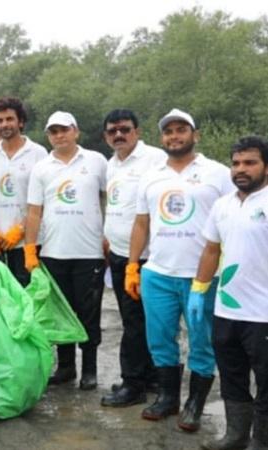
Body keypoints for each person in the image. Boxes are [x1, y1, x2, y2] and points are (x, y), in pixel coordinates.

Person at [126, 108, 234, 431]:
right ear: (163, 138)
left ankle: (194, 404)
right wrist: (133, 265)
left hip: (202, 275)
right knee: (159, 339)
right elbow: (141, 223)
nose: (175, 136)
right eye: (169, 131)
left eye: (181, 130)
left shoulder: (218, 173)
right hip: (158, 272)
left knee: (202, 339)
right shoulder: (151, 174)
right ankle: (168, 398)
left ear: (195, 135)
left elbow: (233, 219)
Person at [24, 111, 107, 391]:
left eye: (64, 130)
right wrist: (29, 249)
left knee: (88, 311)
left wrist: (107, 233)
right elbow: (34, 212)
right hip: (53, 252)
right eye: (53, 131)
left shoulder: (96, 161)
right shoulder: (42, 167)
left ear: (76, 131)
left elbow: (108, 198)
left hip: (89, 252)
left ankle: (90, 368)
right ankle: (66, 367)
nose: (59, 136)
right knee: (60, 311)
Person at [196, 136, 268, 450]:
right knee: (232, 375)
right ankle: (236, 435)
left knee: (266, 382)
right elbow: (211, 249)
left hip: (263, 314)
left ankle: (261, 440)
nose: (241, 169)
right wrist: (198, 289)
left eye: (250, 163)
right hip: (227, 311)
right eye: (236, 163)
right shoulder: (222, 205)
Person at [99, 109, 167, 408]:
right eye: (112, 131)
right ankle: (149, 374)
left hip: (143, 256)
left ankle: (133, 383)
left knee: (136, 323)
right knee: (133, 318)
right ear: (105, 136)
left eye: (124, 129)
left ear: (137, 131)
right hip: (117, 252)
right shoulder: (111, 164)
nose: (119, 135)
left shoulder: (154, 159)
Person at [0, 97, 47, 287]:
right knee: (0, 296)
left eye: (9, 119)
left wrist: (20, 229)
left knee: (28, 296)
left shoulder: (38, 153)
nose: (4, 124)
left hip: (29, 242)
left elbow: (43, 201)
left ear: (21, 122)